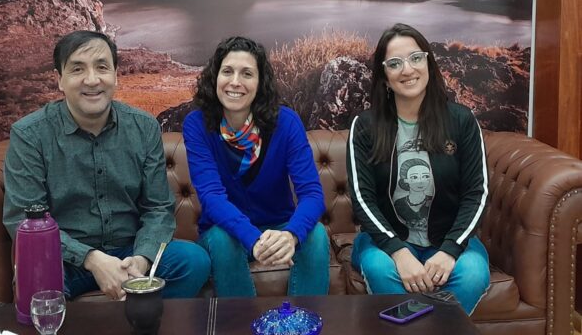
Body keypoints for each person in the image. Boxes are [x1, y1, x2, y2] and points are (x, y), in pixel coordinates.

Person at [3, 30, 211, 301]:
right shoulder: (30, 135)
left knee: (193, 261)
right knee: (36, 277)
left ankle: (142, 318)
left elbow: (158, 208)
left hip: (129, 253)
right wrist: (91, 259)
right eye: (77, 69)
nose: (92, 80)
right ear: (59, 80)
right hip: (64, 260)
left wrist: (142, 259)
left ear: (115, 75)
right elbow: (23, 220)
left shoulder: (143, 127)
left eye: (102, 67)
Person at [347, 23, 490, 314]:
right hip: (387, 241)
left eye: (415, 58)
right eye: (394, 63)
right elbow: (362, 198)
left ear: (428, 64)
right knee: (379, 268)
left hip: (449, 237)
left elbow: (477, 193)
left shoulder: (461, 121)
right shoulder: (365, 126)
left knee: (473, 273)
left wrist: (450, 250)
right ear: (385, 78)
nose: (407, 69)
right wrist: (398, 252)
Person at [183, 36, 329, 297]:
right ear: (215, 77)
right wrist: (254, 239)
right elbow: (212, 198)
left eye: (247, 73)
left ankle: (304, 318)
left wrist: (291, 234)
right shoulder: (197, 124)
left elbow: (312, 194)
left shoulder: (287, 122)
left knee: (316, 234)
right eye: (227, 71)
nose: (235, 82)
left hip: (278, 226)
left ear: (260, 82)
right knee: (223, 240)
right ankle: (241, 320)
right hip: (224, 232)